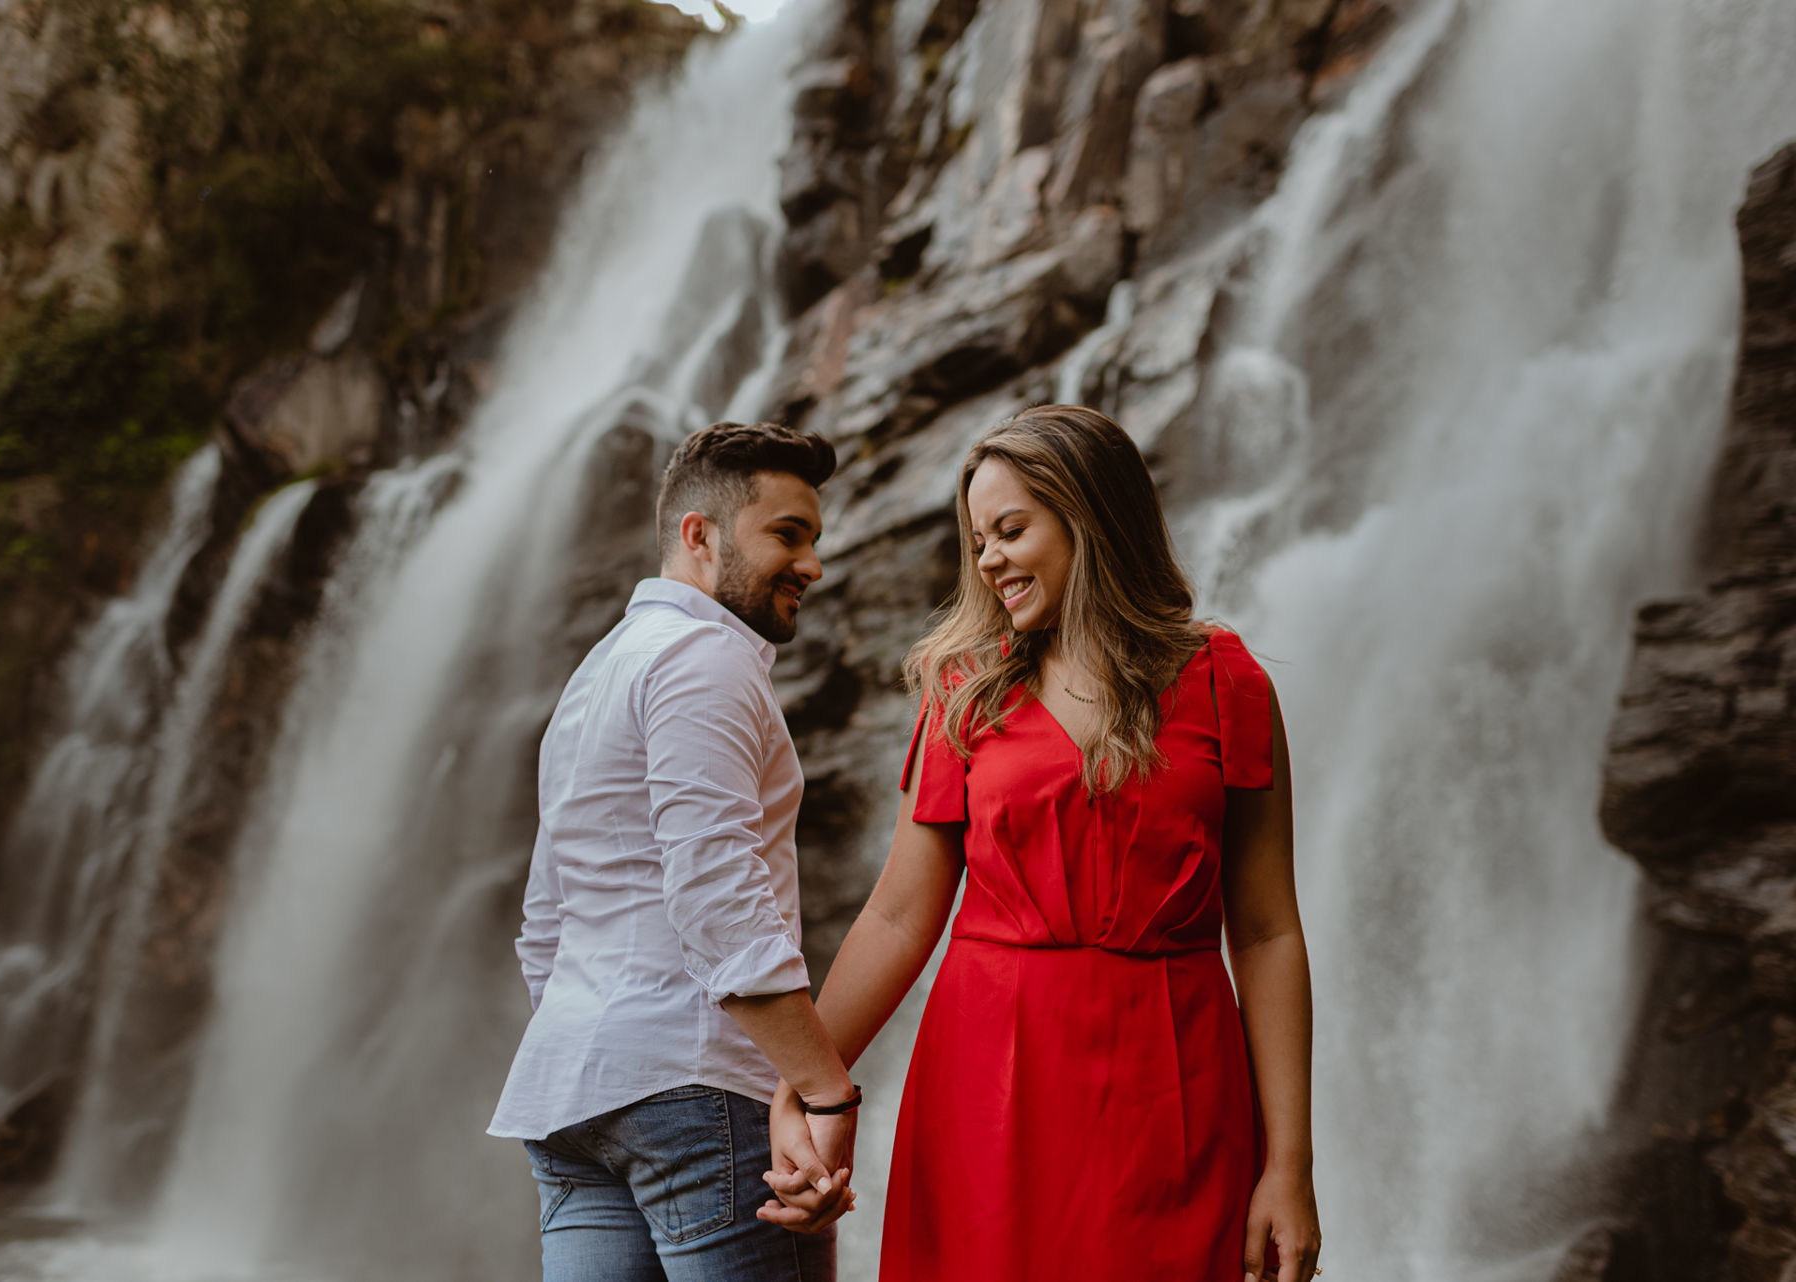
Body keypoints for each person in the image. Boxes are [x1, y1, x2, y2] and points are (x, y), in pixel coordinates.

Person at [760, 405, 1321, 1281]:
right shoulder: (965, 689)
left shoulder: (1226, 681)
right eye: (979, 540)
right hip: (990, 1086)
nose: (988, 561)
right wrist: (803, 1082)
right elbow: (902, 914)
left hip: (1176, 1089)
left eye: (1011, 530)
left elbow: (1266, 932)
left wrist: (1290, 1168)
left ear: (1089, 514)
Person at [490, 420, 858, 1282]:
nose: (811, 564)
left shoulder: (597, 674)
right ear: (699, 535)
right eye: (786, 535)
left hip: (571, 1097)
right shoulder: (707, 659)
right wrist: (824, 1089)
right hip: (699, 1093)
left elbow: (547, 917)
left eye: (814, 538)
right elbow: (718, 891)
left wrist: (602, 1036)